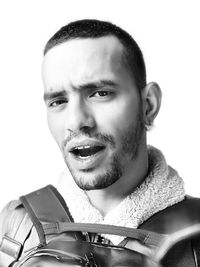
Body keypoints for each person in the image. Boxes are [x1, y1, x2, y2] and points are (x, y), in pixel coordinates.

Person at [0, 19, 200, 267]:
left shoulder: (194, 234)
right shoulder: (16, 223)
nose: (76, 121)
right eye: (58, 101)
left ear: (148, 105)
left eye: (100, 93)